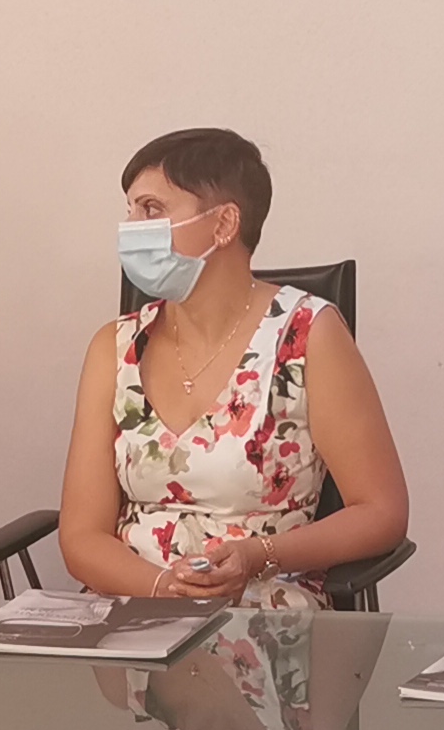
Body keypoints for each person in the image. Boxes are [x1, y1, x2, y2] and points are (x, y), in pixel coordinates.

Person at [49, 127, 410, 624]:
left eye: (151, 209)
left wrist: (258, 556)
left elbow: (381, 512)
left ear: (223, 224)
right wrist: (162, 588)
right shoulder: (113, 347)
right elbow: (81, 537)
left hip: (262, 613)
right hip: (133, 612)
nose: (131, 228)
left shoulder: (310, 335)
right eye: (130, 210)